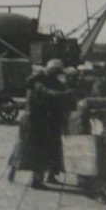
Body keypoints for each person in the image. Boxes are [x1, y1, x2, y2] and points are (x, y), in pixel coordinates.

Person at [13, 58, 73, 189]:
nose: (58, 75)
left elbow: (59, 88)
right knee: (34, 151)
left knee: (51, 148)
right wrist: (64, 94)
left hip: (44, 120)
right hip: (32, 121)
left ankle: (51, 175)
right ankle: (35, 180)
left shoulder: (51, 80)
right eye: (56, 72)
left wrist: (68, 88)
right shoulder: (37, 81)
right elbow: (46, 92)